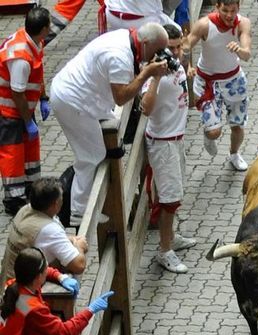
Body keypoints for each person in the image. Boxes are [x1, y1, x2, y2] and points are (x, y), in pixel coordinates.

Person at [50, 23, 169, 225]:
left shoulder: (126, 37)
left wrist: (145, 68)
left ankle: (85, 205)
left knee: (105, 140)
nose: (157, 56)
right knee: (91, 156)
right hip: (72, 101)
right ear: (146, 42)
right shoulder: (119, 56)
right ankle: (79, 212)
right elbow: (121, 97)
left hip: (84, 97)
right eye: (156, 51)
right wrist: (147, 73)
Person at [140, 23, 197, 275]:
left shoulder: (179, 64)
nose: (175, 54)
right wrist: (154, 77)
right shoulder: (153, 71)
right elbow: (146, 108)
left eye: (178, 47)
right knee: (169, 200)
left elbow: (189, 100)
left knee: (176, 194)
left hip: (177, 139)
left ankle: (171, 237)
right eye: (170, 49)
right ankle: (164, 250)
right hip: (163, 143)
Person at [186, 0, 251, 170]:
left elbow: (247, 54)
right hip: (207, 82)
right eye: (225, 10)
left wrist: (239, 49)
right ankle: (209, 134)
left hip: (233, 80)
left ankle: (234, 154)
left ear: (239, 7)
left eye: (233, 10)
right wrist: (187, 66)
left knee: (237, 125)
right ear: (216, 7)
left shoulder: (243, 23)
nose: (229, 15)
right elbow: (186, 46)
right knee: (214, 132)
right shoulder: (204, 25)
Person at [0, 7, 51, 216]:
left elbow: (38, 74)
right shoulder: (20, 57)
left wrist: (43, 97)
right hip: (9, 111)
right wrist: (28, 119)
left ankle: (31, 188)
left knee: (30, 148)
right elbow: (17, 92)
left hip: (21, 110)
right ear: (45, 29)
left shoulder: (33, 42)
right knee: (12, 153)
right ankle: (14, 199)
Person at [2, 178, 88, 286]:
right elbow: (79, 266)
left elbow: (48, 240)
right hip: (24, 292)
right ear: (56, 204)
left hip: (9, 283)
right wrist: (79, 246)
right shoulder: (49, 230)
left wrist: (69, 239)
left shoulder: (26, 209)